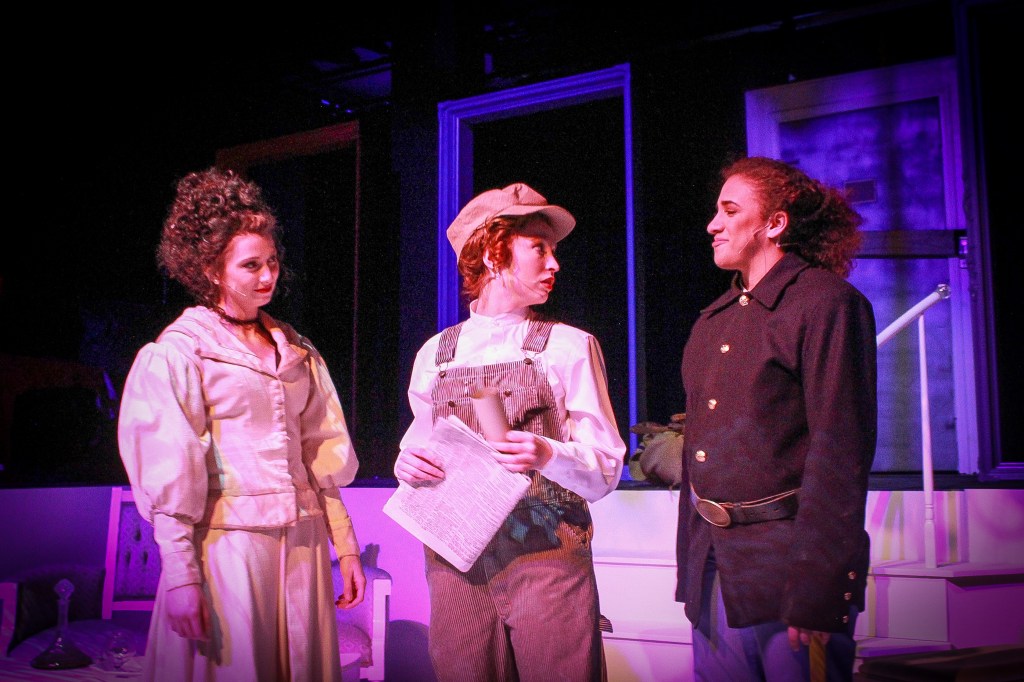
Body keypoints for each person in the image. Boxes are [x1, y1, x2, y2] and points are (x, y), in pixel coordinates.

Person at [117, 167, 366, 681]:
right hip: (229, 550)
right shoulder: (182, 353)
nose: (268, 275)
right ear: (212, 269)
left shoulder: (296, 349)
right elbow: (169, 470)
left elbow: (319, 454)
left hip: (302, 545)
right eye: (251, 265)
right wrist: (181, 577)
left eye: (272, 261)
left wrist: (346, 547)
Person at [394, 183, 627, 681]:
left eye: (554, 251)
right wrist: (406, 464)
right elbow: (419, 446)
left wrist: (548, 454)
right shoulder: (436, 354)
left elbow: (606, 467)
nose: (554, 264)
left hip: (547, 559)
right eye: (538, 248)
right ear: (493, 253)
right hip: (457, 563)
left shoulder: (567, 347)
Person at [676, 157, 877, 682]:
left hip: (790, 568)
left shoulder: (826, 304)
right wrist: (691, 569)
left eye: (729, 211)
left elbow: (840, 453)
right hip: (715, 565)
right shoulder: (714, 320)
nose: (713, 225)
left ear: (774, 223)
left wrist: (820, 586)